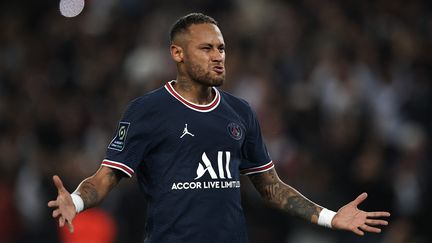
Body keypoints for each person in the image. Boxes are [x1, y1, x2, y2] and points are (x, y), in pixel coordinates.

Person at [48, 13, 390, 243]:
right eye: (207, 48)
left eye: (222, 48)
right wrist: (76, 201)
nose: (218, 56)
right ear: (177, 53)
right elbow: (106, 177)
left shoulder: (239, 112)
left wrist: (331, 217)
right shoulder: (147, 110)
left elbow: (271, 188)